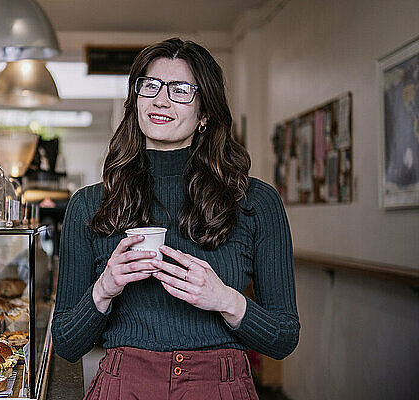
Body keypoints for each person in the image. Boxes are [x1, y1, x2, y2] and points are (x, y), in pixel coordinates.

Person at [52, 38, 300, 400]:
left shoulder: (255, 202)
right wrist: (105, 287)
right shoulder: (90, 205)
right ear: (135, 100)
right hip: (124, 385)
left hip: (220, 386)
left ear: (205, 114)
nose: (161, 99)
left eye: (181, 89)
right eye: (149, 85)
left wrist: (224, 299)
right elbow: (67, 344)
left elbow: (283, 338)